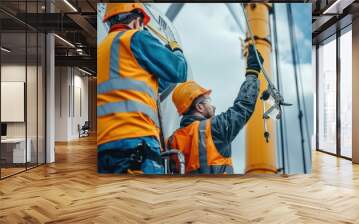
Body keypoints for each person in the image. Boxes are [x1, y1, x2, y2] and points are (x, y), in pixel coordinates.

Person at [97, 3, 187, 174]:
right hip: (136, 140)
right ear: (137, 20)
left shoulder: (102, 49)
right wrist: (176, 50)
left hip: (104, 145)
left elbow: (151, 86)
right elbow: (179, 70)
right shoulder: (136, 38)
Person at [167, 44, 263, 174]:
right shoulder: (212, 129)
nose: (213, 106)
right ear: (199, 107)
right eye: (208, 101)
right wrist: (253, 72)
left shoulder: (173, 140)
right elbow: (243, 106)